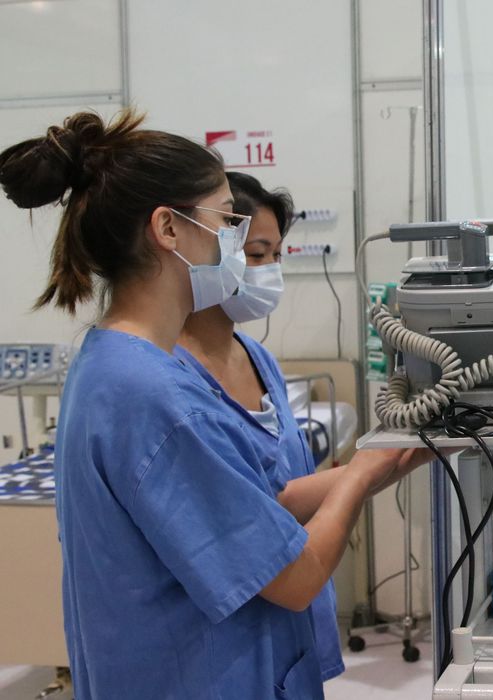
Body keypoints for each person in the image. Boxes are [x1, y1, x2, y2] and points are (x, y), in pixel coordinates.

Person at [0, 110, 427, 699]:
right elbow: (295, 579)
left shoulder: (112, 365)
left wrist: (384, 459)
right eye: (227, 220)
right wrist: (357, 483)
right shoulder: (153, 394)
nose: (238, 242)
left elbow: (254, 508)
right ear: (168, 229)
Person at [175, 171, 345, 683]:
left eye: (277, 255)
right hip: (227, 638)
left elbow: (284, 493)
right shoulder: (171, 378)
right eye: (255, 254)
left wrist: (391, 457)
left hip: (292, 617)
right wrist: (360, 478)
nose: (269, 270)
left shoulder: (258, 358)